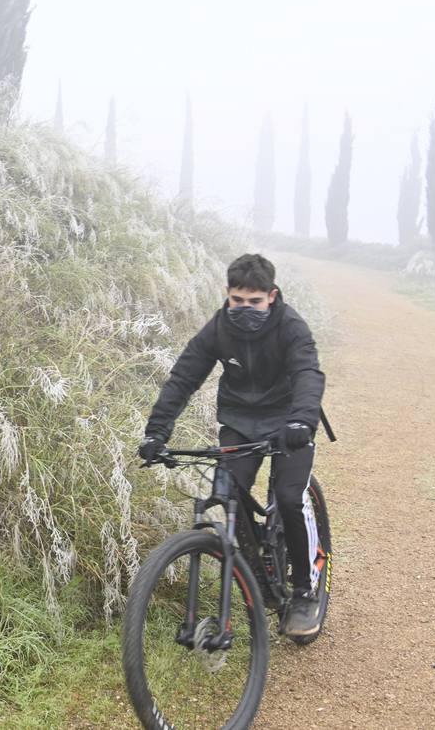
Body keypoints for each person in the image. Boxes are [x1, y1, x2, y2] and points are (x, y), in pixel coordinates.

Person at [137, 252, 326, 638]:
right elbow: (184, 376)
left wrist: (302, 420)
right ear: (228, 294)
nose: (245, 309)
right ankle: (255, 574)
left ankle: (306, 591)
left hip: (290, 421)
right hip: (240, 422)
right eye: (238, 300)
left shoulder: (291, 326)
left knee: (290, 497)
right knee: (227, 492)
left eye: (254, 302)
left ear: (271, 296)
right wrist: (157, 432)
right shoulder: (220, 327)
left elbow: (308, 371)